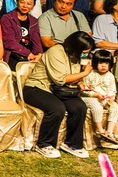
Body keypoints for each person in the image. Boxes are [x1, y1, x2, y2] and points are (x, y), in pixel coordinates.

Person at [22, 31, 96, 159]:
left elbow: (71, 76)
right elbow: (60, 79)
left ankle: (72, 144)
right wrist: (85, 74)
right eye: (84, 52)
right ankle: (44, 144)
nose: (86, 55)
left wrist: (80, 83)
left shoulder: (75, 56)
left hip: (59, 90)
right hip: (37, 88)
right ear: (76, 47)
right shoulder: (55, 52)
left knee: (79, 107)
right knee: (57, 108)